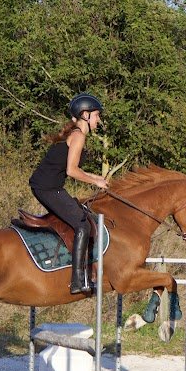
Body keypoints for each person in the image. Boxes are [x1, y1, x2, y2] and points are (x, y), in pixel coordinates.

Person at [29, 93, 109, 295]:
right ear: (85, 115)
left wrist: (97, 178)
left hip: (47, 186)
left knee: (81, 217)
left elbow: (73, 169)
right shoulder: (79, 136)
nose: (98, 120)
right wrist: (95, 180)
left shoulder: (74, 134)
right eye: (97, 115)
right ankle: (77, 280)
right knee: (82, 223)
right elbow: (72, 171)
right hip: (48, 188)